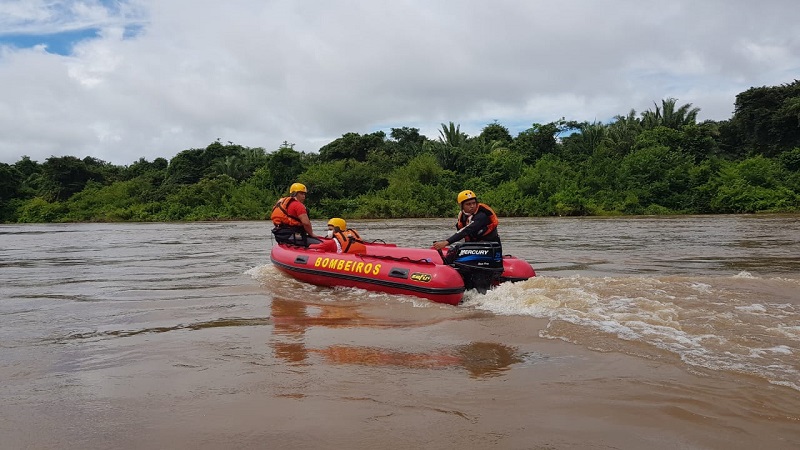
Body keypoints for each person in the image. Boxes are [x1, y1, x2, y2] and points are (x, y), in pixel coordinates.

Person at [433, 189, 500, 251]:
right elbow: (460, 232)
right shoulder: (463, 216)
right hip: (474, 245)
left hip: (490, 247)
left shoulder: (482, 215)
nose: (472, 206)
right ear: (462, 205)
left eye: (474, 203)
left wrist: (446, 242)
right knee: (456, 249)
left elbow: (466, 230)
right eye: (468, 204)